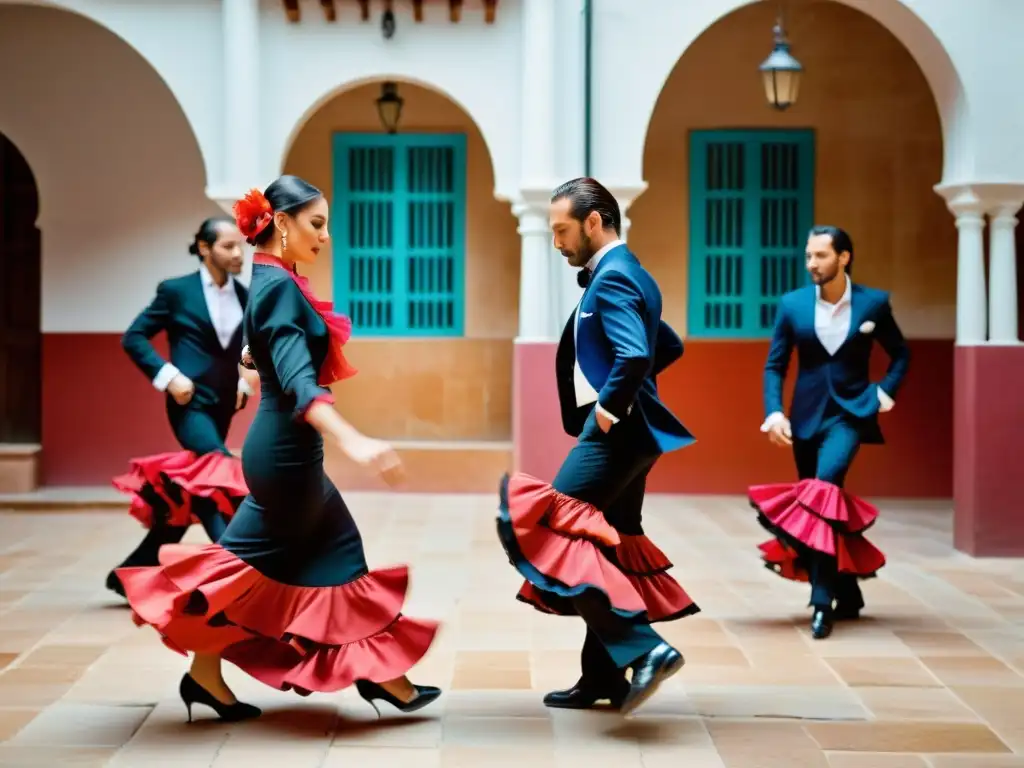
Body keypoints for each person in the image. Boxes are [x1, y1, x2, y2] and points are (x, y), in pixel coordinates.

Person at [114, 175, 442, 722]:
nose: (327, 235)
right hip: (287, 454)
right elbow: (298, 383)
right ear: (282, 224)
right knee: (260, 567)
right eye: (317, 223)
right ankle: (385, 679)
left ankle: (210, 675)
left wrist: (251, 361)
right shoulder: (280, 286)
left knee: (327, 554)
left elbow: (257, 350)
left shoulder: (268, 278)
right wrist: (353, 439)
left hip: (285, 452)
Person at [497, 177, 700, 717]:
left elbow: (635, 355)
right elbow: (667, 345)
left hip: (614, 434)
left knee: (543, 525)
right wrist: (628, 390)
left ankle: (647, 649)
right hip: (635, 436)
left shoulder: (611, 279)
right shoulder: (628, 273)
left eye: (562, 230)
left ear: (593, 222)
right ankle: (601, 677)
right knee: (608, 544)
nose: (557, 241)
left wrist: (609, 410)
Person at [750, 225, 910, 639]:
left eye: (820, 256)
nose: (811, 264)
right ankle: (847, 588)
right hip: (804, 419)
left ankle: (822, 602)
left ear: (843, 258)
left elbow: (901, 354)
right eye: (808, 256)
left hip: (851, 415)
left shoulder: (873, 304)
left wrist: (884, 395)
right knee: (816, 507)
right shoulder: (792, 305)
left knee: (824, 491)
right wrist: (774, 413)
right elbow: (775, 364)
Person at [107, 218, 252, 597]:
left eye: (240, 246)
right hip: (188, 404)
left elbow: (238, 350)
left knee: (199, 485)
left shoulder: (244, 295)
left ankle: (129, 571)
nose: (238, 254)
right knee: (219, 470)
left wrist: (240, 379)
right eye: (228, 246)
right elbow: (134, 337)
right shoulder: (176, 291)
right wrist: (168, 376)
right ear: (204, 248)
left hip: (224, 406)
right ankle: (234, 562)